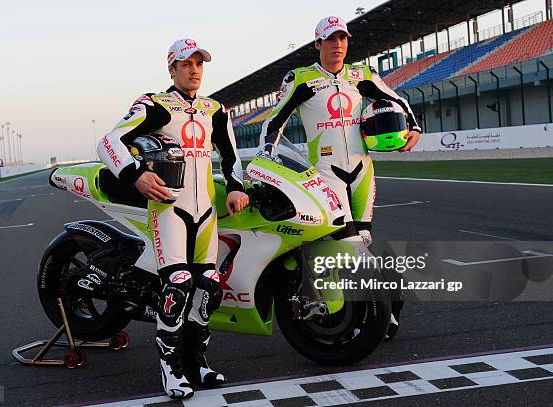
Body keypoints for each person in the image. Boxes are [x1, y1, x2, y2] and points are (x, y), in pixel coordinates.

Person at [97, 38, 249, 399]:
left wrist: (235, 187)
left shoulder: (215, 109)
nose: (194, 69)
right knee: (178, 284)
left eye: (199, 63)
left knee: (208, 286)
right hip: (169, 210)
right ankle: (172, 368)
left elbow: (231, 156)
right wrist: (135, 174)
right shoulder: (155, 104)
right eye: (186, 64)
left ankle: (197, 362)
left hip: (206, 211)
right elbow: (108, 142)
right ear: (172, 68)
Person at [259, 16, 421, 338]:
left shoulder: (362, 75)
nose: (338, 45)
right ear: (318, 44)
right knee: (339, 245)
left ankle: (385, 310)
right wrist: (265, 156)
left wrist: (413, 129)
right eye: (331, 39)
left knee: (362, 243)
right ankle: (342, 312)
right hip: (324, 174)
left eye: (343, 39)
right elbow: (273, 124)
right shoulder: (301, 79)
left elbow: (397, 100)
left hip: (363, 171)